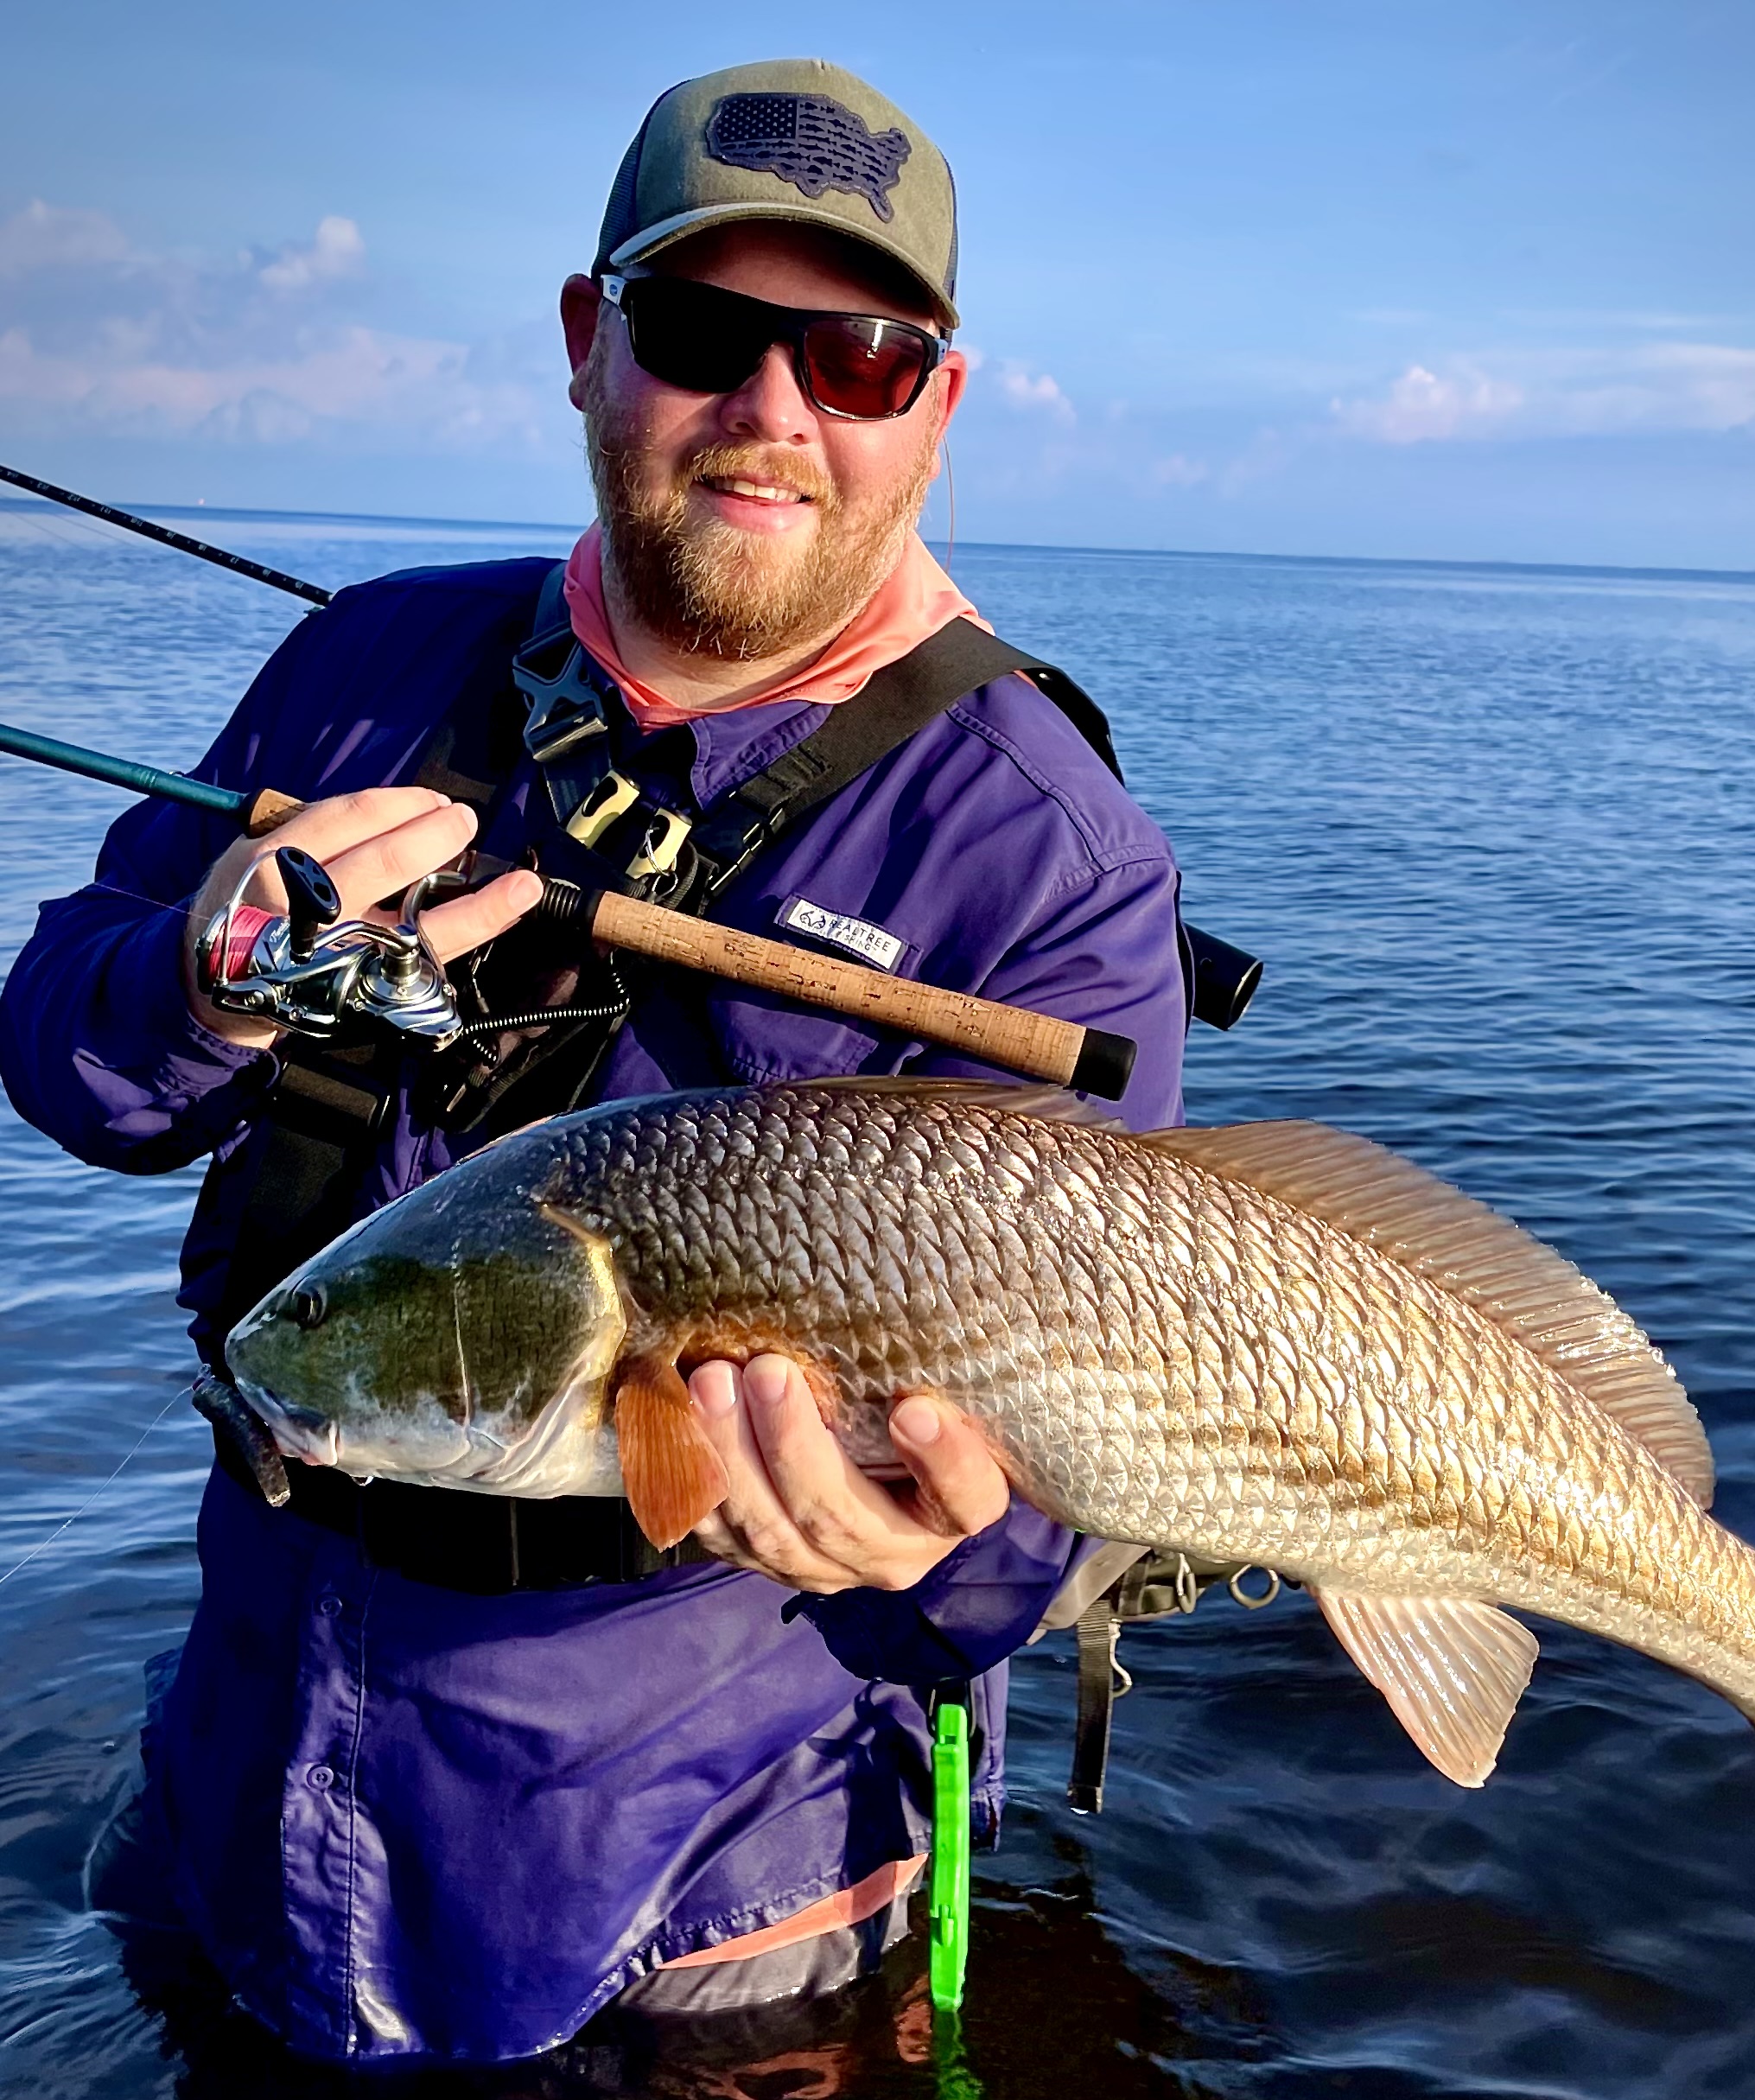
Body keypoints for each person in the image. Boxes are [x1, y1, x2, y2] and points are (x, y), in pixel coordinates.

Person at [0, 58, 1188, 2066]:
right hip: (252, 1745)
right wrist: (201, 976)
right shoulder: (366, 665)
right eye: (705, 331)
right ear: (586, 343)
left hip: (702, 1883)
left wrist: (954, 1548)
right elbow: (73, 1071)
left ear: (939, 407)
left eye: (864, 357)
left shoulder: (1045, 862)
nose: (775, 412)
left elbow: (1062, 1477)